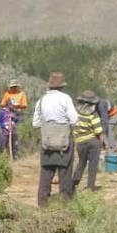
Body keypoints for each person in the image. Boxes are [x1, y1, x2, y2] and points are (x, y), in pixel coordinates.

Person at [33, 72, 78, 207]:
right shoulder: (65, 99)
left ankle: (42, 204)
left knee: (46, 175)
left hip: (47, 143)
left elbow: (35, 123)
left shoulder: (41, 100)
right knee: (65, 174)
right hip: (64, 142)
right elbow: (74, 119)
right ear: (61, 86)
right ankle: (65, 204)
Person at [72, 91, 105, 191]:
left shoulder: (75, 114)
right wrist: (102, 144)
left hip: (80, 142)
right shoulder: (93, 115)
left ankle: (74, 181)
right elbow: (99, 131)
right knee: (93, 165)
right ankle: (90, 186)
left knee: (81, 162)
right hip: (93, 142)